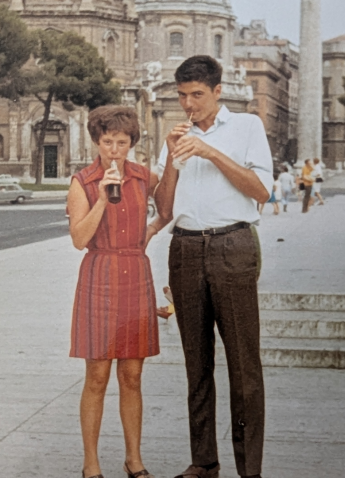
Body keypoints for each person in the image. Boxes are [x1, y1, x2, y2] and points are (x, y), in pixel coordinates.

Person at [154, 55, 272, 478]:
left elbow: (260, 190)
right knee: (195, 363)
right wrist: (171, 158)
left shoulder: (246, 128)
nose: (188, 104)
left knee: (244, 365)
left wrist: (209, 151)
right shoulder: (175, 135)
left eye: (197, 95)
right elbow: (164, 207)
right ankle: (203, 461)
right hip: (184, 250)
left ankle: (249, 468)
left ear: (217, 92)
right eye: (182, 96)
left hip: (233, 245)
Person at [67, 105, 170, 478]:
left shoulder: (144, 177)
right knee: (96, 375)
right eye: (107, 141)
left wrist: (153, 229)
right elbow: (79, 238)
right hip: (99, 275)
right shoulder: (84, 180)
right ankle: (91, 463)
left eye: (122, 142)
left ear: (132, 143)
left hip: (135, 274)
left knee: (132, 376)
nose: (114, 150)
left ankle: (134, 459)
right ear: (96, 141)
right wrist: (101, 198)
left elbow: (168, 208)